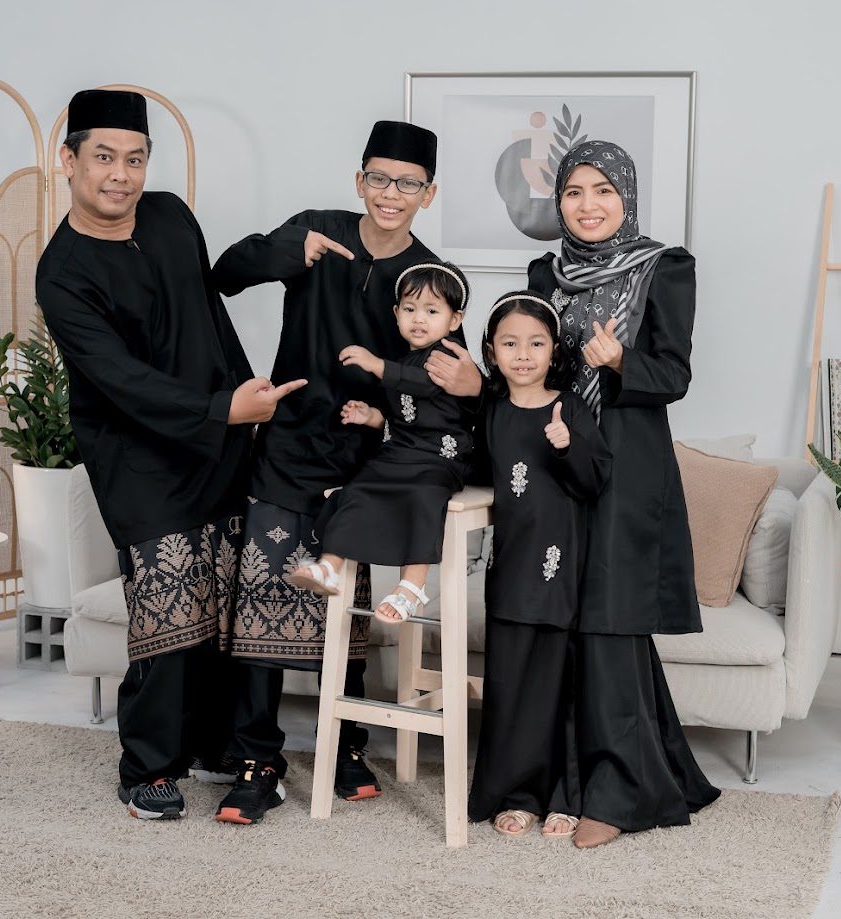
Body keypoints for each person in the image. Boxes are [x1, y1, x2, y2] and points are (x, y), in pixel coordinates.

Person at [36, 89, 305, 821]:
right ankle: (147, 766)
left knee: (225, 596)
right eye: (103, 157)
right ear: (68, 161)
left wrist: (242, 406)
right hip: (139, 457)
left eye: (134, 159)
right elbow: (119, 379)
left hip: (220, 439)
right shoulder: (61, 272)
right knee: (170, 602)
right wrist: (222, 410)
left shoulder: (170, 216)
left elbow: (208, 317)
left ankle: (216, 744)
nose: (119, 175)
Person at [210, 120, 484, 825]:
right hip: (287, 445)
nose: (391, 193)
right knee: (265, 591)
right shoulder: (317, 231)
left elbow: (443, 389)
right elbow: (225, 275)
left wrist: (473, 383)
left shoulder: (427, 278)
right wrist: (285, 251)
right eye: (379, 178)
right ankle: (256, 759)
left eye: (408, 183)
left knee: (348, 603)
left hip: (367, 459)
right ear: (359, 180)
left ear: (428, 194)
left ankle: (345, 745)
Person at [527, 140, 721, 849]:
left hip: (627, 464)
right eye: (574, 192)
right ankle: (591, 779)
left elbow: (673, 374)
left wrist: (618, 362)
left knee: (610, 622)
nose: (588, 205)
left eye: (603, 190)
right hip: (556, 454)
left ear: (627, 198)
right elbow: (530, 362)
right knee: (565, 621)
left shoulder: (664, 266)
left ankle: (617, 795)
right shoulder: (544, 273)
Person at [466, 292, 612, 841]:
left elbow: (595, 479)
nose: (523, 354)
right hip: (510, 565)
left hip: (560, 566)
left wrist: (567, 444)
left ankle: (564, 797)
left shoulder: (569, 407)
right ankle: (516, 795)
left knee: (558, 685)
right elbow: (471, 469)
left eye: (535, 343)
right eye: (510, 343)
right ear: (491, 351)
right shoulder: (490, 411)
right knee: (508, 684)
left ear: (554, 350)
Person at [288, 261, 474, 622]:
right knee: (356, 490)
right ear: (396, 313)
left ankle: (412, 586)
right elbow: (403, 415)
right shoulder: (404, 359)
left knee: (425, 497)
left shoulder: (448, 355)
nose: (418, 319)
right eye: (410, 309)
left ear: (454, 319)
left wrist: (377, 365)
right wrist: (371, 416)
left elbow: (425, 383)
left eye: (431, 311)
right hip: (399, 456)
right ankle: (329, 565)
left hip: (439, 461)